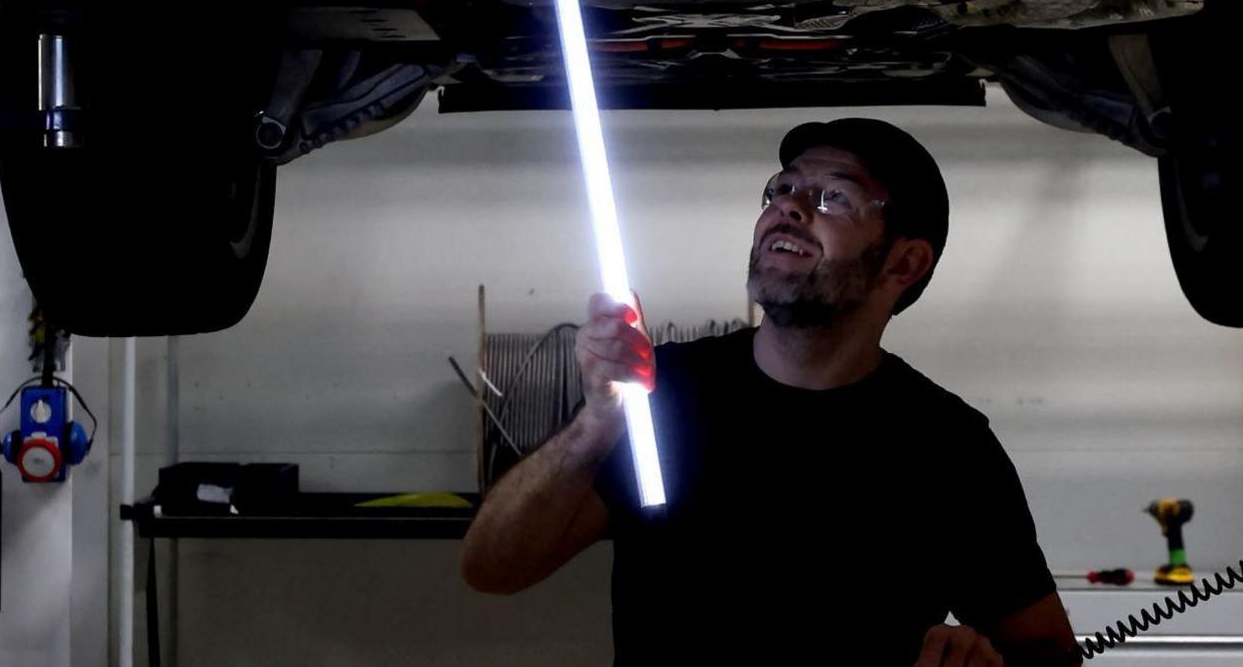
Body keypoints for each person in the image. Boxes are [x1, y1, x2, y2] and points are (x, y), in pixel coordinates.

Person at [462, 118, 1079, 666]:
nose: (790, 206)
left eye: (835, 196)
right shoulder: (663, 394)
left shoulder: (947, 447)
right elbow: (491, 569)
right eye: (781, 189)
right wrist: (595, 424)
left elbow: (1050, 651)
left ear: (904, 264)